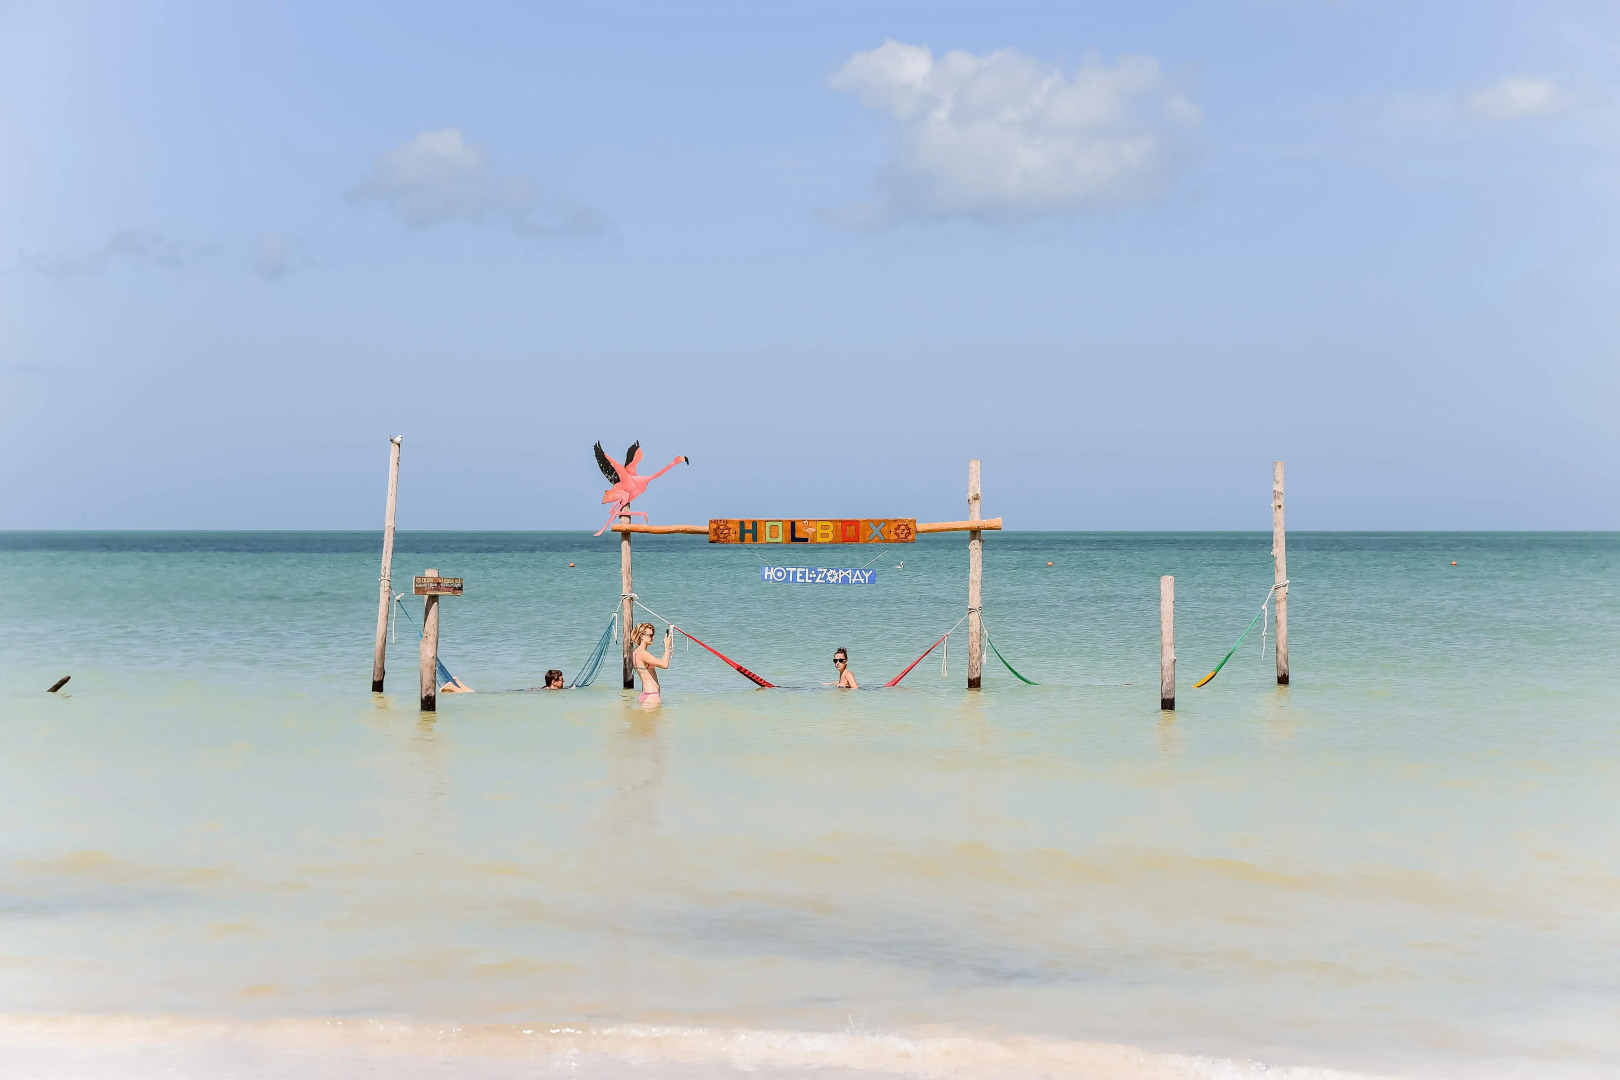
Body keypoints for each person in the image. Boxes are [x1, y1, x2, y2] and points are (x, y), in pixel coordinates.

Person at [631, 622, 672, 705]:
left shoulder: (636, 652)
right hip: (651, 696)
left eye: (653, 635)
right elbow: (665, 665)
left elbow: (661, 662)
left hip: (646, 695)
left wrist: (666, 646)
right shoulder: (642, 653)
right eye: (650, 635)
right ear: (641, 636)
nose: (652, 638)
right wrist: (667, 646)